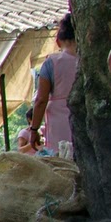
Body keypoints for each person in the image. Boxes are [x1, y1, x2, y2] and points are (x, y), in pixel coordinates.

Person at [29, 14, 76, 154]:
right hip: (91, 124)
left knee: (63, 162)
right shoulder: (92, 60)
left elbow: (41, 100)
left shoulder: (51, 63)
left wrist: (34, 129)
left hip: (60, 125)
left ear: (58, 40)